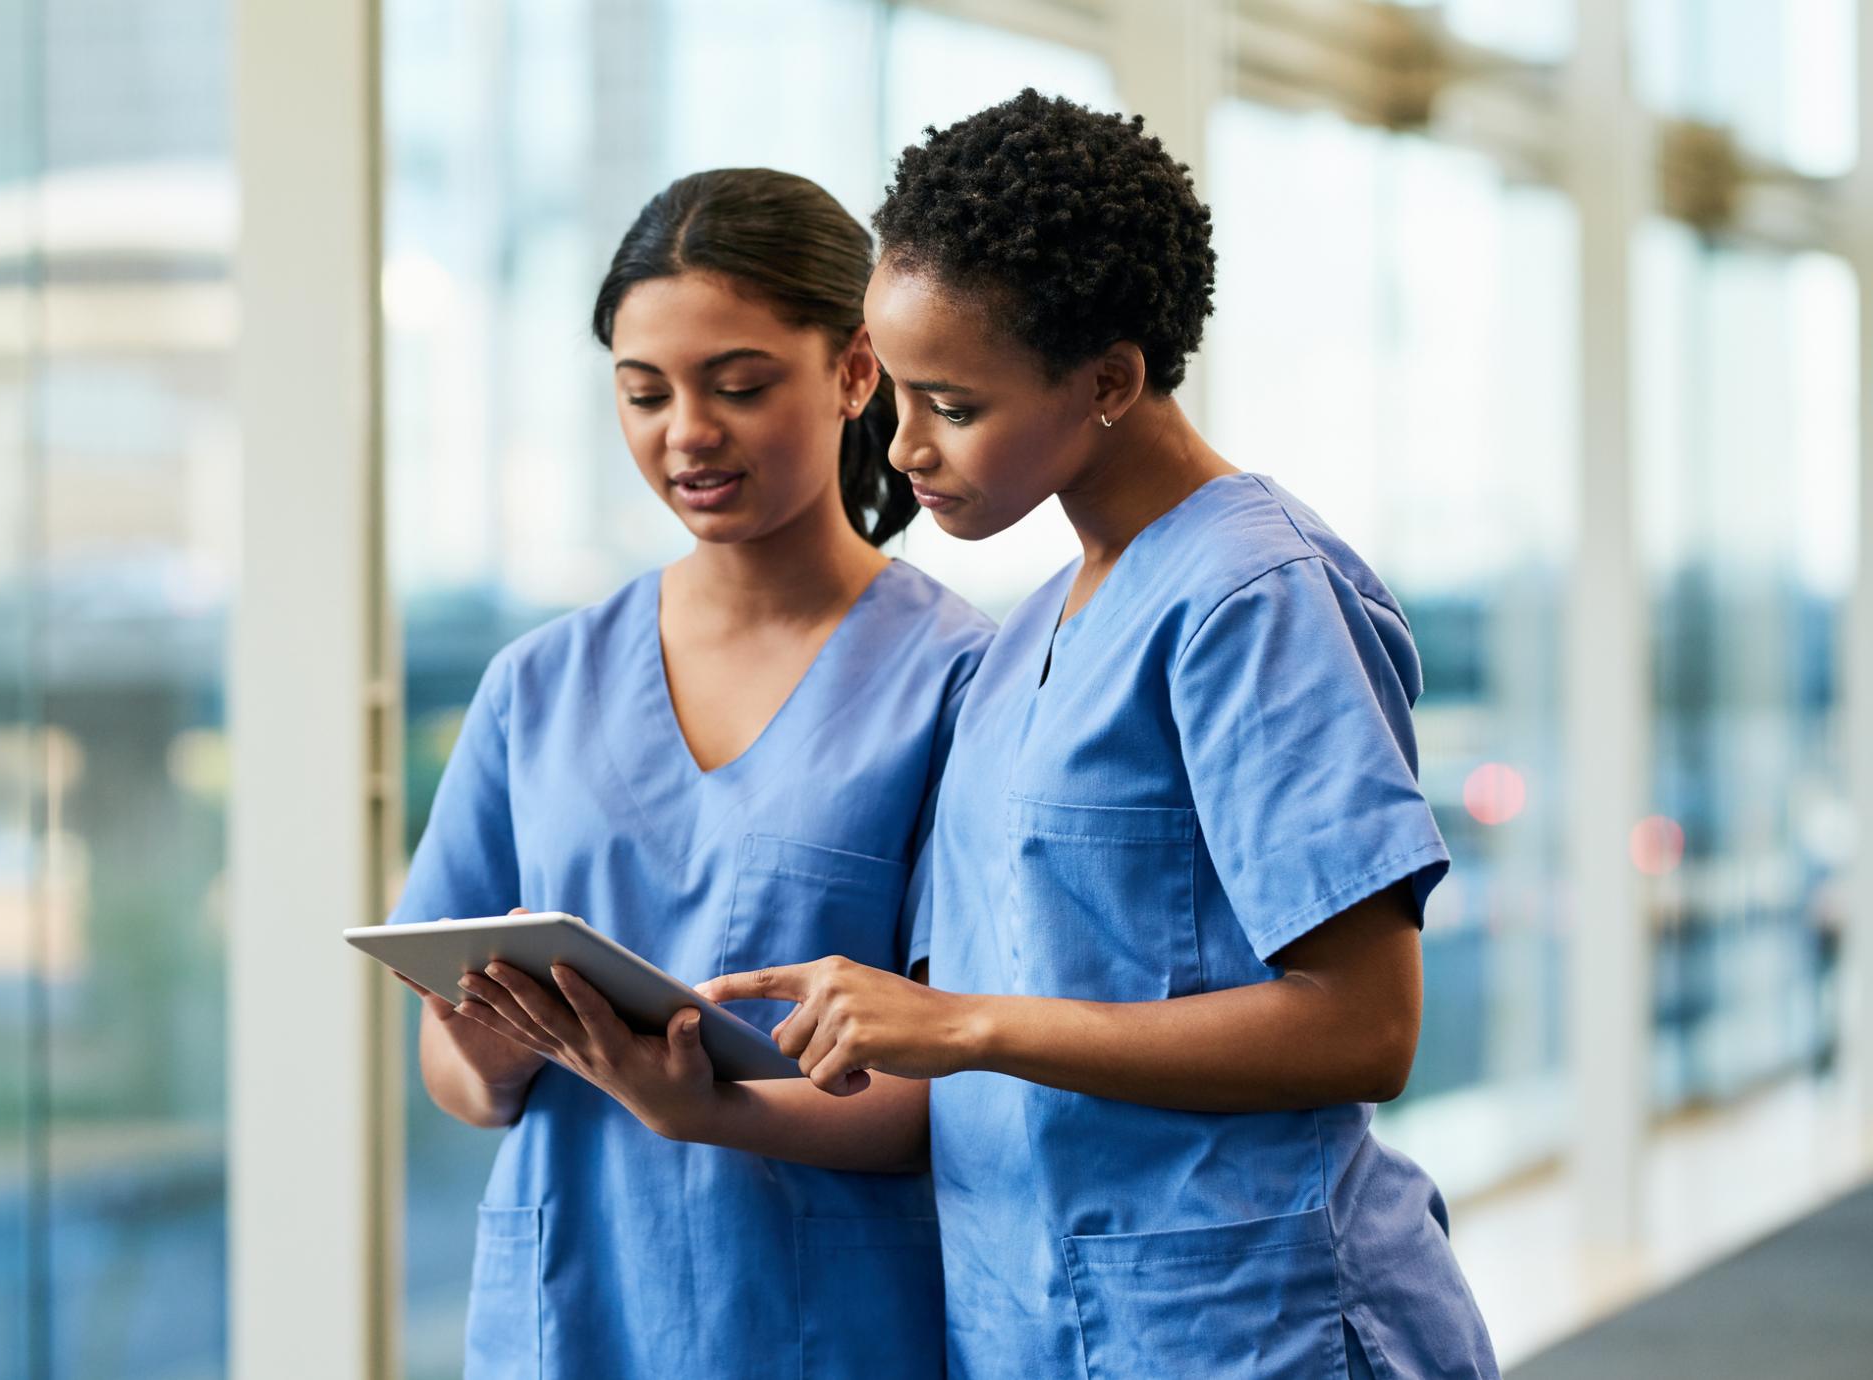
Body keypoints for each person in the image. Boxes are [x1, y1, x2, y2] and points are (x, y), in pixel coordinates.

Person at [702, 92, 1501, 1379]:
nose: (901, 445)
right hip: (1039, 1326)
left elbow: (1363, 1026)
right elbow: (982, 1057)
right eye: (892, 390)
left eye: (951, 404)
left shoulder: (1253, 600)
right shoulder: (1024, 640)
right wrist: (707, 1092)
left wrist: (962, 1022)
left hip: (1251, 1328)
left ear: (1110, 381)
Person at [388, 167, 992, 1380]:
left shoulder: (957, 681)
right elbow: (454, 1076)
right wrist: (504, 1040)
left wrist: (704, 1110)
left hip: (826, 1320)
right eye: (643, 392)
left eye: (739, 385)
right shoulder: (538, 683)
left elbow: (970, 1081)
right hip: (571, 1311)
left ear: (854, 371)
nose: (686, 434)